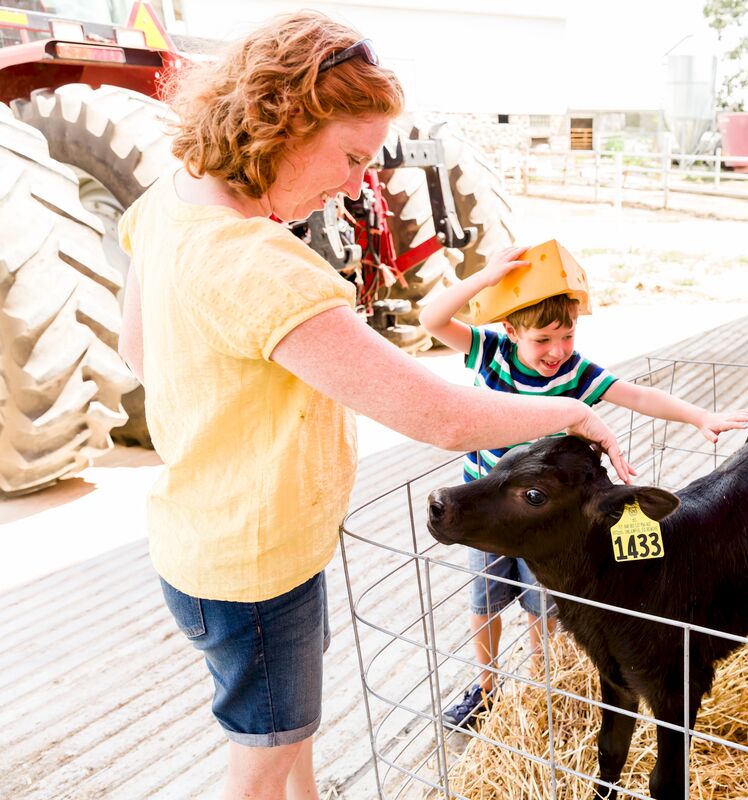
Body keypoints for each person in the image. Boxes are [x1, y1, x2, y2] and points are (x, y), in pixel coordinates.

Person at [116, 13, 631, 800]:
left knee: (287, 731)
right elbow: (441, 417)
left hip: (198, 540)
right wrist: (570, 414)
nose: (360, 183)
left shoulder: (169, 206)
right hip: (258, 566)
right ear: (280, 121)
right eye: (353, 158)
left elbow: (138, 353)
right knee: (257, 762)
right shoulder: (260, 265)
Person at [419, 246, 748, 730]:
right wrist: (485, 277)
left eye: (568, 334)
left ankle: (543, 682)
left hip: (547, 523)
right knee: (484, 599)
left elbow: (637, 395)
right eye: (543, 339)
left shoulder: (574, 372)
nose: (557, 350)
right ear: (511, 331)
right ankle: (486, 685)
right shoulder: (488, 352)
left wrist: (700, 415)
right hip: (489, 513)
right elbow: (432, 318)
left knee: (544, 604)